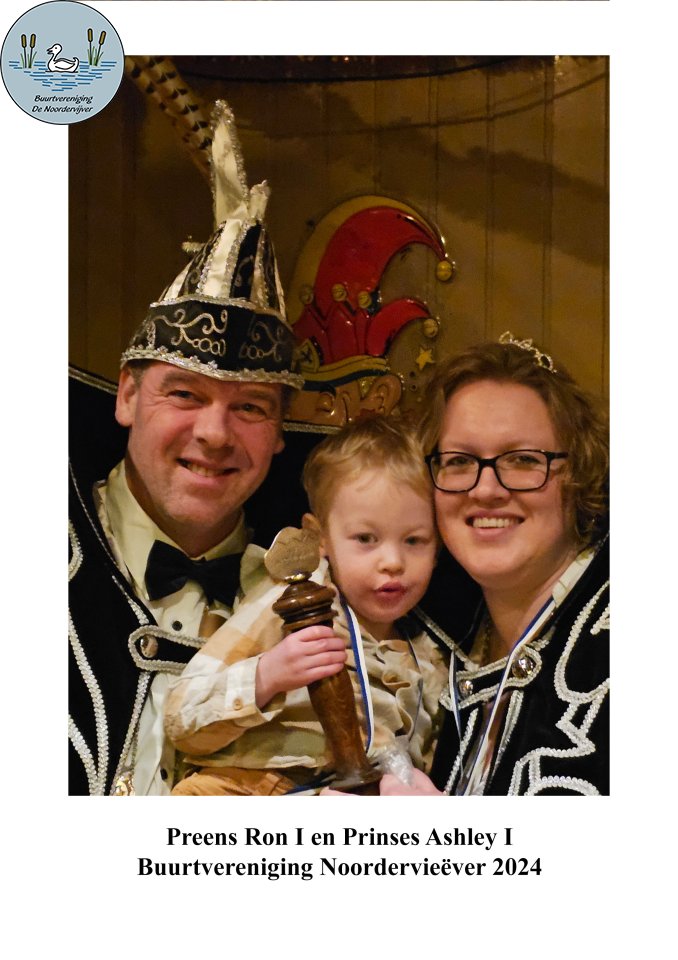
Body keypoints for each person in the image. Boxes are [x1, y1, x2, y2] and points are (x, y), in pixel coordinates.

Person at [68, 101, 304, 796]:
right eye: (185, 394)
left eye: (250, 407)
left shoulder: (318, 601)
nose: (215, 433)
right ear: (126, 395)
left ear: (280, 432)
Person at [376, 332, 609, 796]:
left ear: (579, 472)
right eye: (459, 461)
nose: (485, 490)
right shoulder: (412, 621)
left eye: (523, 459)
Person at [164, 416, 448, 795]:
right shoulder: (289, 604)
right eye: (366, 538)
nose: (393, 562)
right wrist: (268, 674)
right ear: (320, 537)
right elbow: (180, 717)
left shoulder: (430, 655)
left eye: (414, 541)